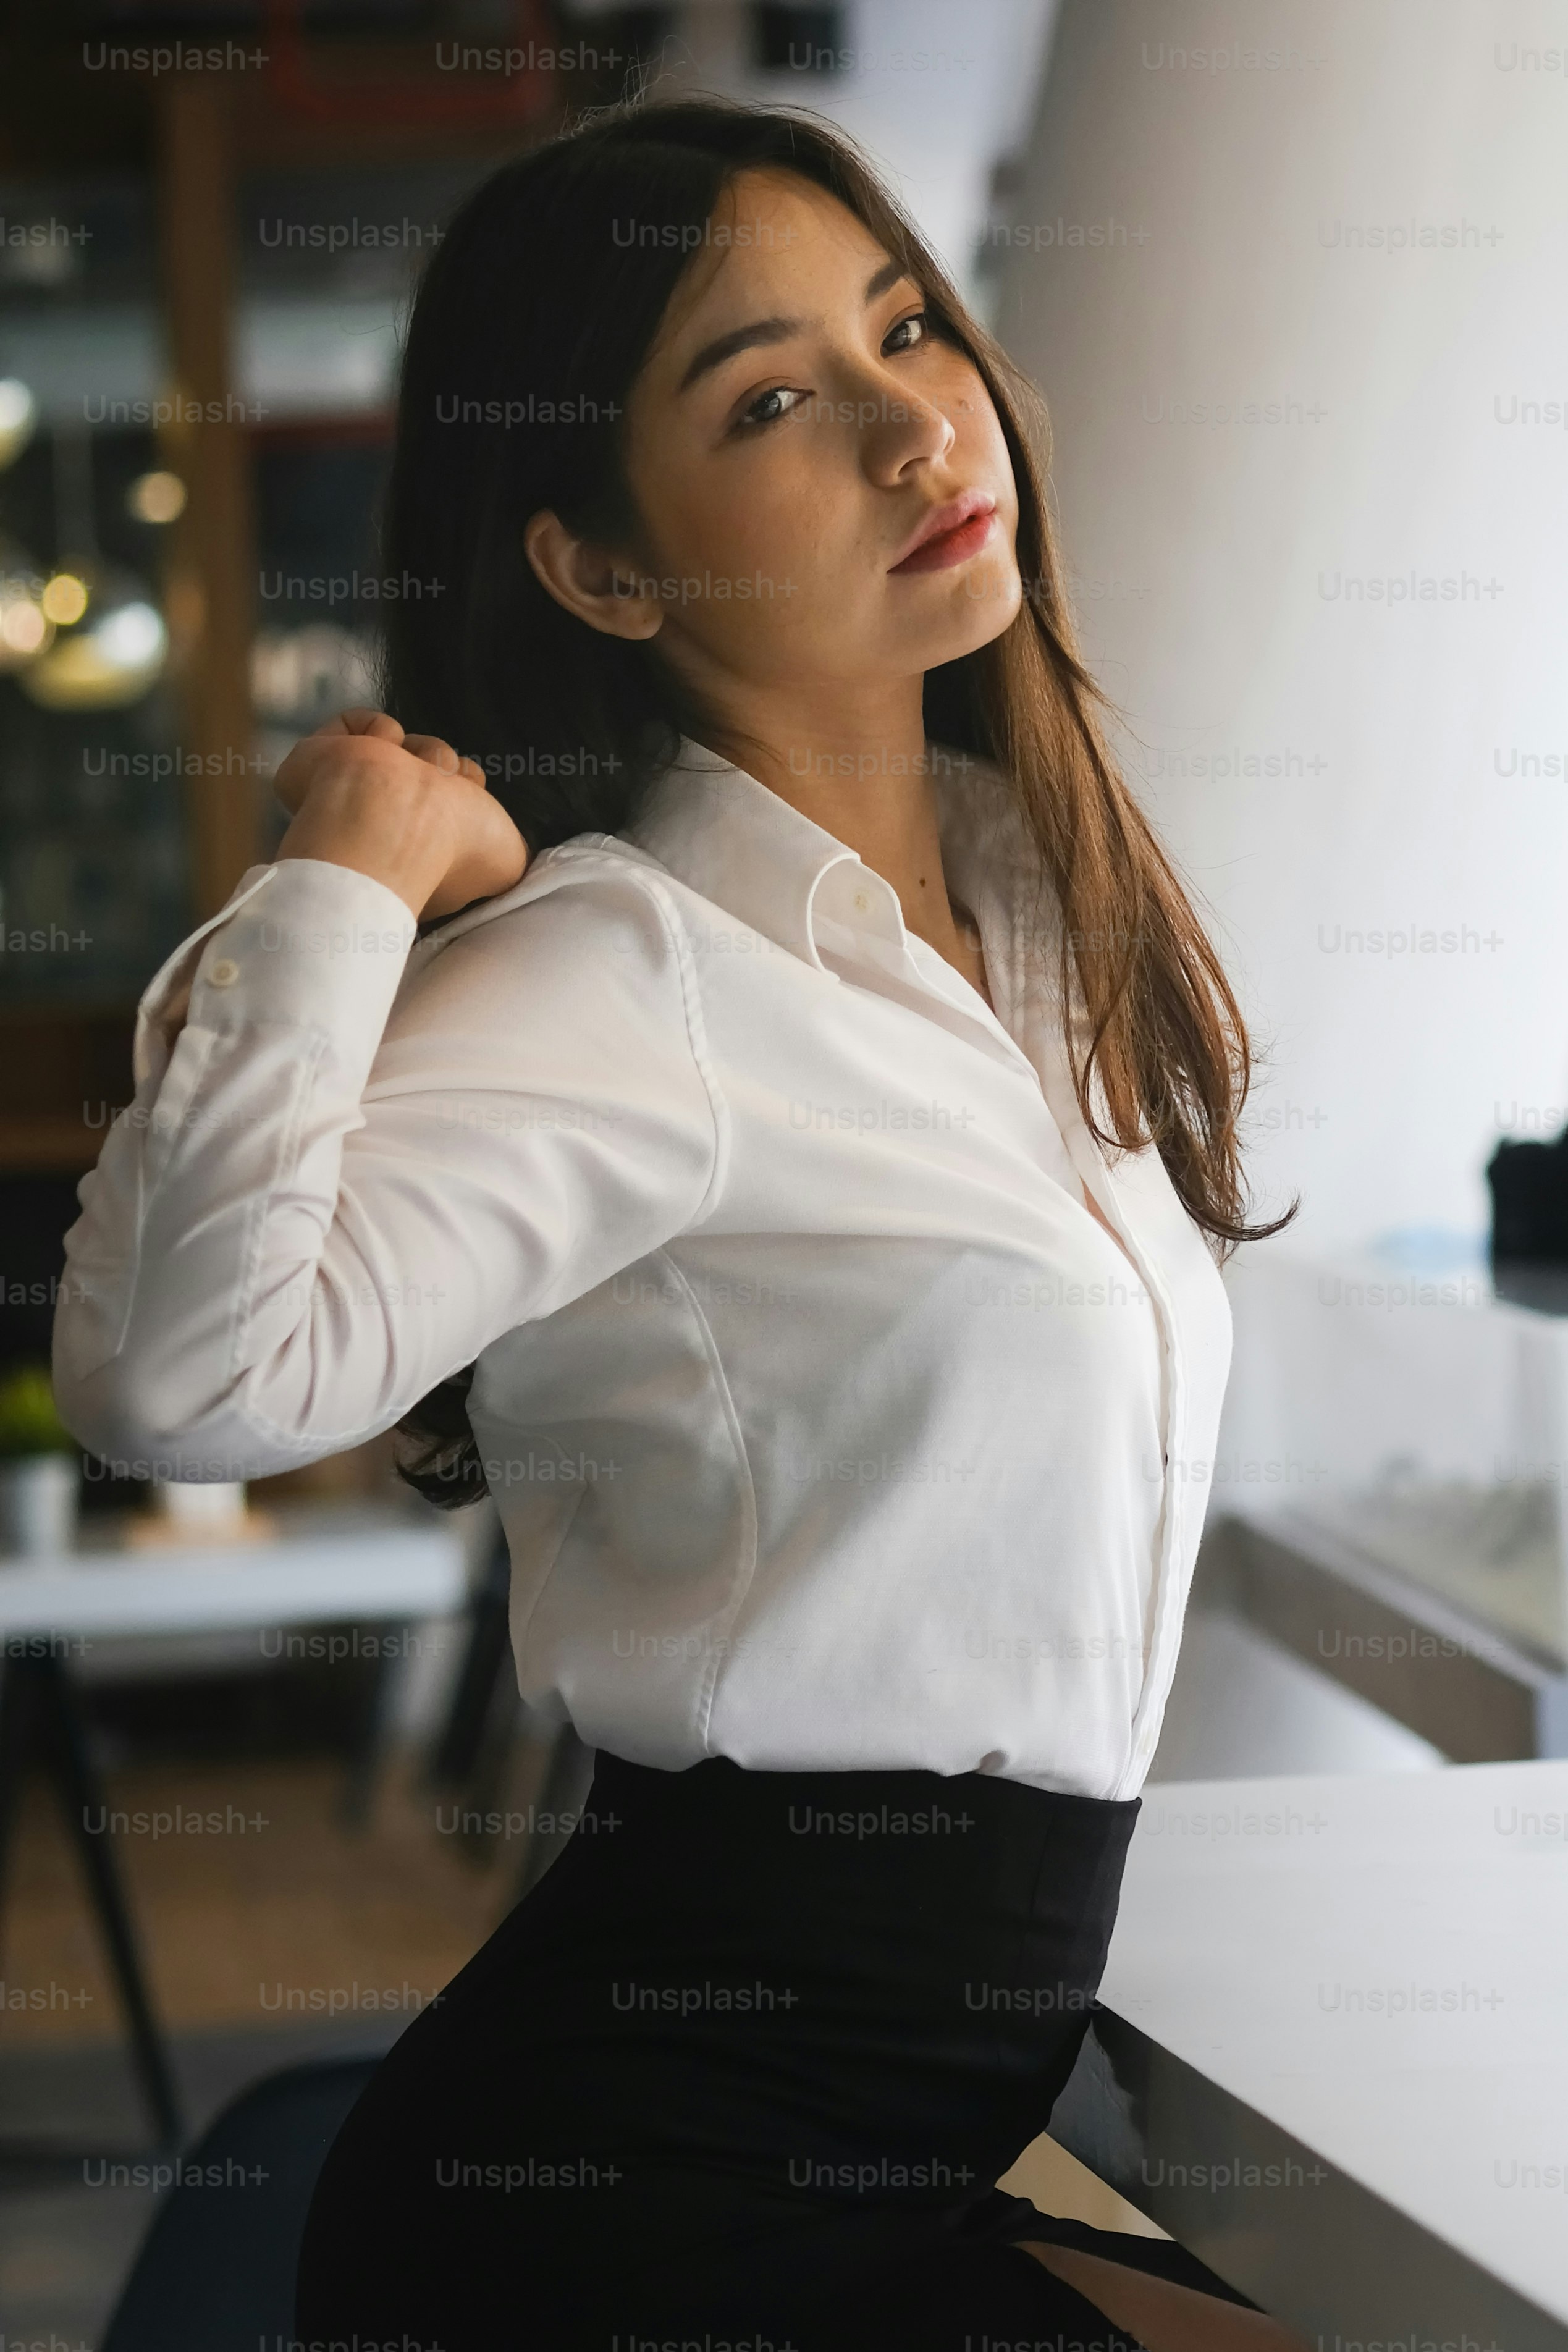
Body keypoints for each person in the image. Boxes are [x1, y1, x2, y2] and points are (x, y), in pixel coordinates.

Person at [53, 97, 1303, 2352]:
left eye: (903, 324)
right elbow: (179, 1379)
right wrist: (339, 882)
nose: (918, 421)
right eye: (771, 400)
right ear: (604, 570)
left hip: (898, 2141)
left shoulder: (1037, 891)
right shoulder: (627, 968)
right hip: (636, 2209)